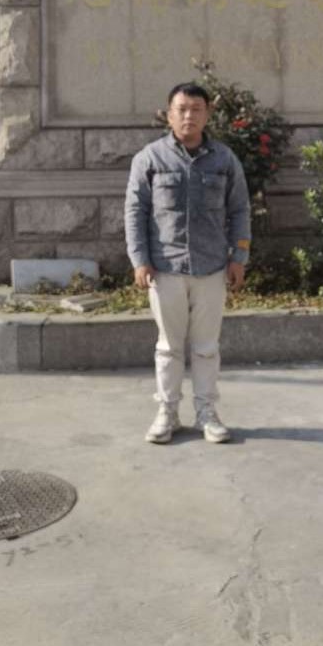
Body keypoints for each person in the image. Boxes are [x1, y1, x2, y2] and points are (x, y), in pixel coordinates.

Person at [124, 82, 251, 443]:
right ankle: (167, 412)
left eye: (196, 109)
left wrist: (239, 256)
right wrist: (139, 260)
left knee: (206, 347)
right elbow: (135, 212)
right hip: (165, 268)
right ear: (169, 115)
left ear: (207, 115)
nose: (188, 116)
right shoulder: (149, 159)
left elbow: (240, 210)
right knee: (168, 346)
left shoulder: (224, 159)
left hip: (212, 267)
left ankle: (207, 412)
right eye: (181, 109)